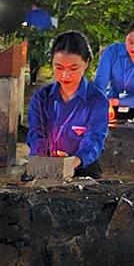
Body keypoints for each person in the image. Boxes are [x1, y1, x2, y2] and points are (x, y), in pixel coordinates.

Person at [26, 31, 109, 178]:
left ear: (86, 63)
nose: (65, 75)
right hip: (46, 163)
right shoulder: (41, 97)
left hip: (82, 167)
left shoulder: (96, 100)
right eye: (59, 68)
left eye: (73, 69)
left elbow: (94, 139)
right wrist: (43, 156)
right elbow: (36, 133)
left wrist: (74, 161)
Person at [23, 4, 57, 84]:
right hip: (42, 37)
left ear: (33, 6)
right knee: (40, 56)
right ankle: (36, 72)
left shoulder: (30, 13)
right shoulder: (45, 14)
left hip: (33, 37)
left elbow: (26, 24)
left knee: (32, 57)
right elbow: (50, 26)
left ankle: (33, 78)